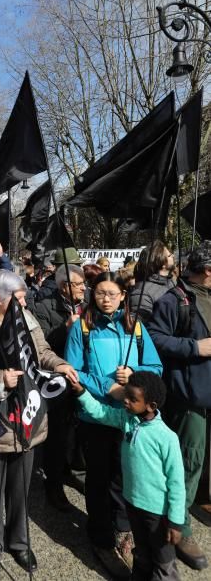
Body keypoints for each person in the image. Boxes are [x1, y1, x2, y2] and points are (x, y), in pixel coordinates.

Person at [0, 270, 78, 581]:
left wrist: (59, 364)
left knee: (20, 490)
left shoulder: (27, 318)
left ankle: (19, 542)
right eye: (18, 298)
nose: (25, 302)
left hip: (26, 418)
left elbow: (42, 353)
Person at [65, 272, 162, 579]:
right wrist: (109, 387)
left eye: (112, 293)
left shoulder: (135, 327)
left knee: (123, 476)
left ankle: (123, 530)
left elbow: (156, 367)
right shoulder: (82, 327)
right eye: (100, 293)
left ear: (123, 295)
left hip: (129, 416)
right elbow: (73, 371)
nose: (105, 298)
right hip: (95, 416)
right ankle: (100, 537)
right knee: (97, 477)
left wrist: (133, 373)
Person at [70, 371, 185, 581]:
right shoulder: (127, 419)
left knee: (164, 562)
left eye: (133, 399)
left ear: (151, 406)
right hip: (133, 505)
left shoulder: (167, 438)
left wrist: (177, 522)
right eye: (126, 395)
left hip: (158, 514)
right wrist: (81, 393)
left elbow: (177, 483)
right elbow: (101, 412)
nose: (125, 401)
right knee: (141, 555)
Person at [147, 241, 211, 571]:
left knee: (205, 459)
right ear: (207, 271)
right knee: (190, 458)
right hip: (190, 395)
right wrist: (194, 347)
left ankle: (204, 497)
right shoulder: (175, 300)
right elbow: (155, 338)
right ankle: (180, 525)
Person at [34, 264, 87, 510]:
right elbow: (39, 346)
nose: (84, 288)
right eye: (79, 284)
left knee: (77, 432)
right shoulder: (44, 307)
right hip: (56, 380)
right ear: (65, 286)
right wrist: (64, 328)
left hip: (83, 376)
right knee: (56, 433)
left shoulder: (88, 307)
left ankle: (74, 471)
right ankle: (53, 484)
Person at [129, 241, 176, 321]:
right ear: (162, 262)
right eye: (169, 255)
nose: (173, 256)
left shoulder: (172, 282)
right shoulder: (142, 293)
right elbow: (139, 327)